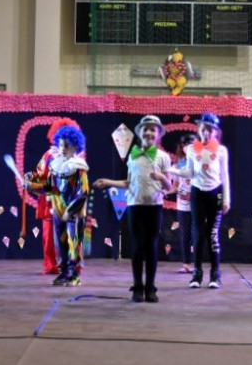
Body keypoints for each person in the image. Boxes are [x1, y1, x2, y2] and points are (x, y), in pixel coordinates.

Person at [94, 115, 172, 303]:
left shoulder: (163, 157)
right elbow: (128, 182)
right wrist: (108, 182)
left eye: (153, 129)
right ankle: (137, 287)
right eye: (146, 129)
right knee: (137, 247)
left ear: (158, 134)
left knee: (151, 247)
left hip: (154, 207)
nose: (149, 132)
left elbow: (169, 186)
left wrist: (161, 177)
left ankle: (150, 287)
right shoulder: (133, 155)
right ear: (140, 133)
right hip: (134, 206)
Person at [172, 113, 231, 289]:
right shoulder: (191, 149)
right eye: (204, 129)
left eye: (210, 130)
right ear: (199, 129)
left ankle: (215, 274)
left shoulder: (221, 150)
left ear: (216, 132)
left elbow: (224, 175)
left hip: (215, 193)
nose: (206, 132)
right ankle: (196, 274)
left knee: (212, 235)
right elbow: (189, 172)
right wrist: (172, 170)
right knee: (198, 235)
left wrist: (226, 199)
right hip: (197, 192)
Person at [24, 118, 80, 277]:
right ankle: (50, 265)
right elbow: (40, 174)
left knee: (70, 234)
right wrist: (32, 177)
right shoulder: (49, 155)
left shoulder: (76, 158)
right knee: (48, 236)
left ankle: (71, 264)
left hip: (68, 201)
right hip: (50, 202)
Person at [45, 124, 90, 287]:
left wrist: (71, 211)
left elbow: (83, 192)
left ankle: (74, 273)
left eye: (67, 146)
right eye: (61, 145)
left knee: (74, 242)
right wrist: (32, 185)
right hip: (58, 211)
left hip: (74, 214)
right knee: (60, 243)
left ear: (75, 147)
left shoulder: (78, 168)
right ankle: (64, 272)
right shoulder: (55, 166)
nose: (63, 149)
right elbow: (49, 187)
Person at [173, 133, 197, 274]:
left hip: (197, 205)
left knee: (196, 235)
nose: (187, 148)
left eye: (190, 145)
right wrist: (163, 191)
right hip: (182, 205)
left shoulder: (200, 163)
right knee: (185, 235)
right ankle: (186, 264)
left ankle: (196, 264)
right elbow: (175, 186)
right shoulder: (177, 165)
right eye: (184, 145)